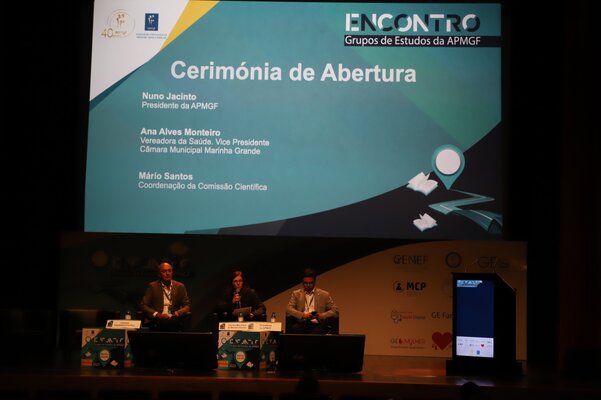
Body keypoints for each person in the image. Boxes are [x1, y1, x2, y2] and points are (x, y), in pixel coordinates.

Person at [140, 259, 191, 331]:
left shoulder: (180, 286)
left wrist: (178, 313)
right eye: (164, 271)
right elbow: (143, 305)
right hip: (158, 318)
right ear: (159, 274)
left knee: (173, 322)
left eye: (169, 271)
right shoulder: (153, 286)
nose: (167, 273)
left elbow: (187, 305)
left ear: (172, 272)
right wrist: (157, 314)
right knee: (162, 322)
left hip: (174, 317)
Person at [286, 268, 339, 334]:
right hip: (302, 323)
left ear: (314, 282)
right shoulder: (296, 294)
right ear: (302, 282)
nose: (308, 285)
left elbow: (335, 310)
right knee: (295, 329)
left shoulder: (324, 294)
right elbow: (288, 309)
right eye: (306, 283)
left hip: (317, 324)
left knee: (317, 331)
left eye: (310, 283)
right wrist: (303, 315)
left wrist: (322, 315)